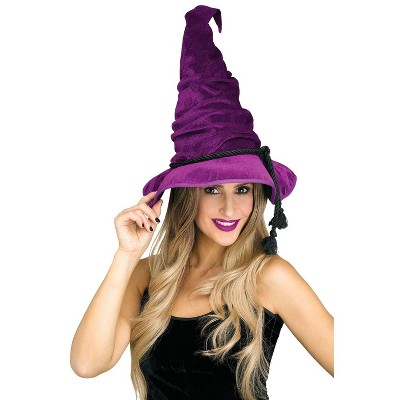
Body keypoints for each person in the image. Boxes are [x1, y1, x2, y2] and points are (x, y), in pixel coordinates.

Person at [70, 5, 334, 400]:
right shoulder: (147, 276)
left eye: (242, 189)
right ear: (186, 195)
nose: (230, 208)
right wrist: (126, 256)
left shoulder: (269, 277)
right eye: (212, 190)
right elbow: (87, 364)